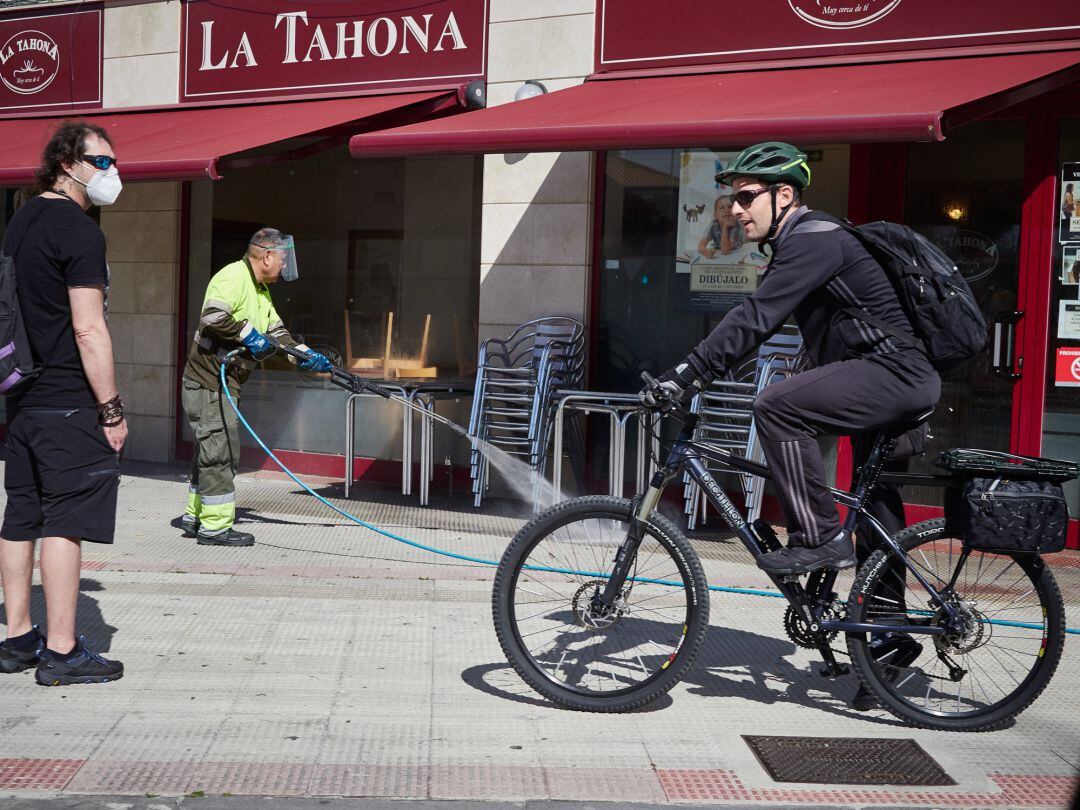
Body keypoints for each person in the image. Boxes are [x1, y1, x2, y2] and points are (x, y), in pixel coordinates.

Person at [642, 142, 941, 577]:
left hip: (893, 373)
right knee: (874, 499)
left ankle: (820, 537)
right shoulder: (807, 240)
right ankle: (883, 629)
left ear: (783, 195)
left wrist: (688, 374)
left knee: (777, 406)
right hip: (896, 375)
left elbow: (756, 316)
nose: (737, 209)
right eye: (733, 200)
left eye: (747, 197)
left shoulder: (813, 239)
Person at [0, 120, 127, 686]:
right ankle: (61, 650)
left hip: (21, 398)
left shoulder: (21, 220)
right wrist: (112, 409)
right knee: (64, 520)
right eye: (102, 162)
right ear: (68, 163)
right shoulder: (80, 231)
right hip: (68, 401)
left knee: (20, 515)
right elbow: (88, 329)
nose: (111, 172)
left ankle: (18, 636)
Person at [179, 228, 332, 547]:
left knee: (209, 452)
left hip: (222, 385)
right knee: (220, 453)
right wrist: (247, 335)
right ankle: (215, 528)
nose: (284, 264)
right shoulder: (234, 277)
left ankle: (195, 517)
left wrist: (305, 356)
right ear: (266, 255)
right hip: (209, 382)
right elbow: (212, 317)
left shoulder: (261, 291)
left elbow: (278, 335)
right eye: (282, 258)